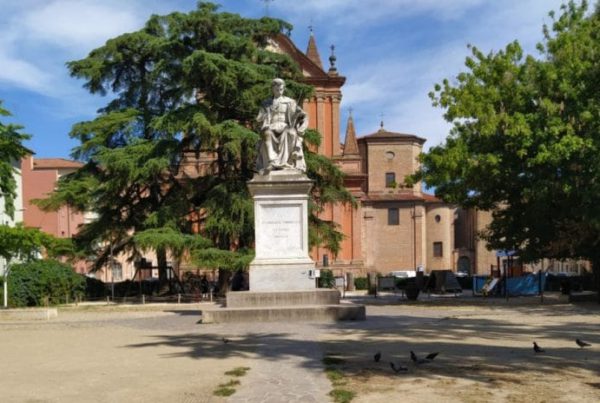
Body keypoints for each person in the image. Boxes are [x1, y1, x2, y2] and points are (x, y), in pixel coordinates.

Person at [256, 78, 308, 173]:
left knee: (291, 133)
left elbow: (301, 116)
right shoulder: (266, 103)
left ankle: (285, 162)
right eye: (277, 89)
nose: (279, 91)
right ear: (272, 89)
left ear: (283, 89)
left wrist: (299, 114)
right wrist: (263, 117)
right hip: (271, 126)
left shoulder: (290, 102)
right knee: (267, 133)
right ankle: (272, 161)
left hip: (285, 126)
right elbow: (259, 118)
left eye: (281, 89)